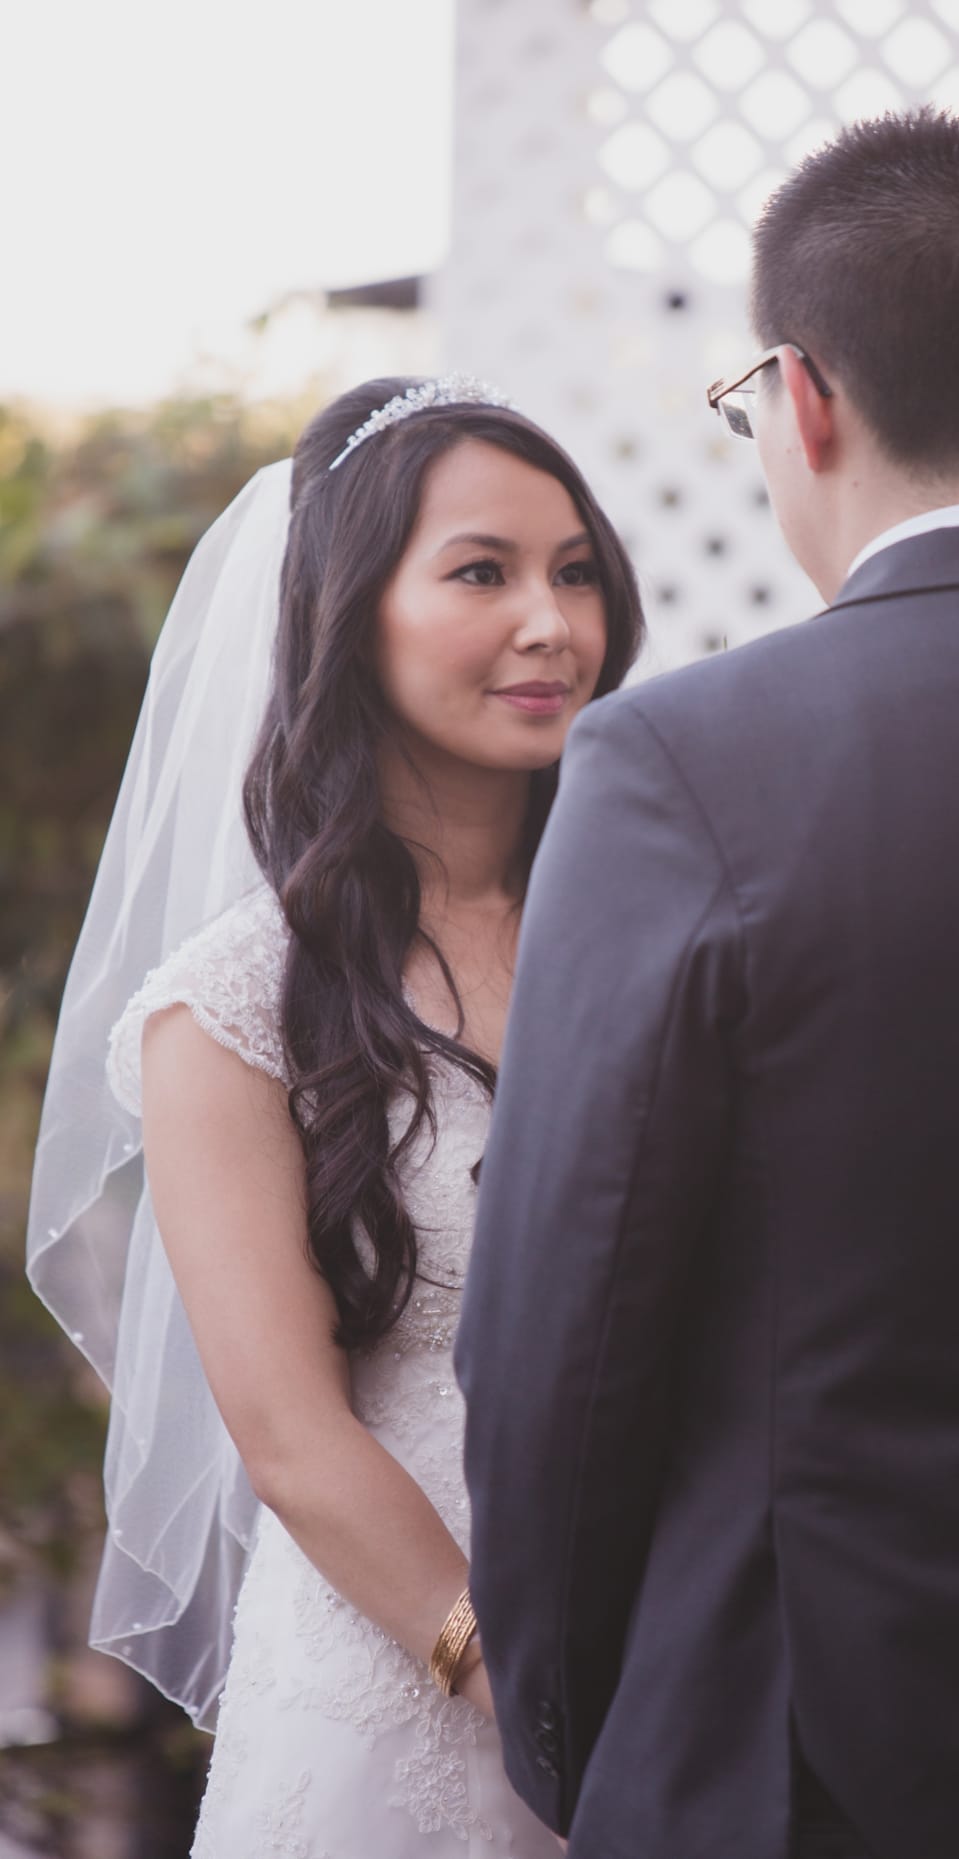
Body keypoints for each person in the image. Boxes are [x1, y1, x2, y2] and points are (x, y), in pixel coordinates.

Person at [456, 109, 959, 1859]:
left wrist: (588, 1740)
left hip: (789, 1756)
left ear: (800, 397)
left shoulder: (677, 762)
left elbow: (560, 1335)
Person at [27, 374, 643, 1855]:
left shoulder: (654, 929)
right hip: (403, 1684)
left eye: (575, 573)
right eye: (481, 573)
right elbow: (290, 1436)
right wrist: (512, 1680)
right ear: (349, 614)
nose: (551, 624)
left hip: (677, 1658)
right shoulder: (229, 1008)